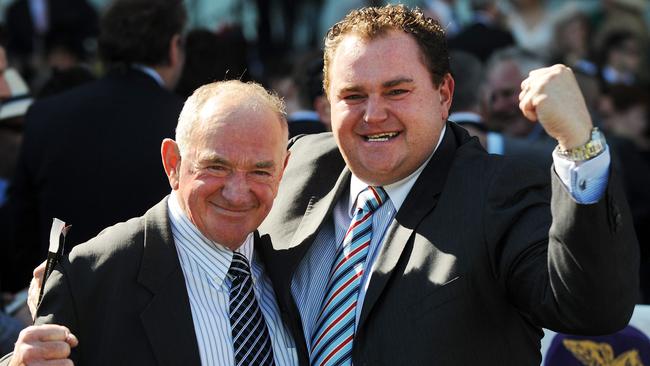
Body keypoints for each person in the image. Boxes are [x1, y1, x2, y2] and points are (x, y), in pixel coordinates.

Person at [256, 4, 638, 365]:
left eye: (397, 91)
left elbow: (592, 307)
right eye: (353, 96)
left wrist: (579, 145)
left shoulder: (499, 193)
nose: (373, 115)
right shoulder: (295, 164)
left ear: (444, 95)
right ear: (327, 105)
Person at [1, 80, 299, 365]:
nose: (236, 193)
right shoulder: (90, 278)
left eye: (260, 172)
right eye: (216, 167)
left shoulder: (301, 265)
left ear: (283, 168)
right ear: (173, 163)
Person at [0, 0, 186, 292]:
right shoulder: (186, 122)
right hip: (162, 309)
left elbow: (20, 230)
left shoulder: (46, 115)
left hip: (64, 310)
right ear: (174, 48)